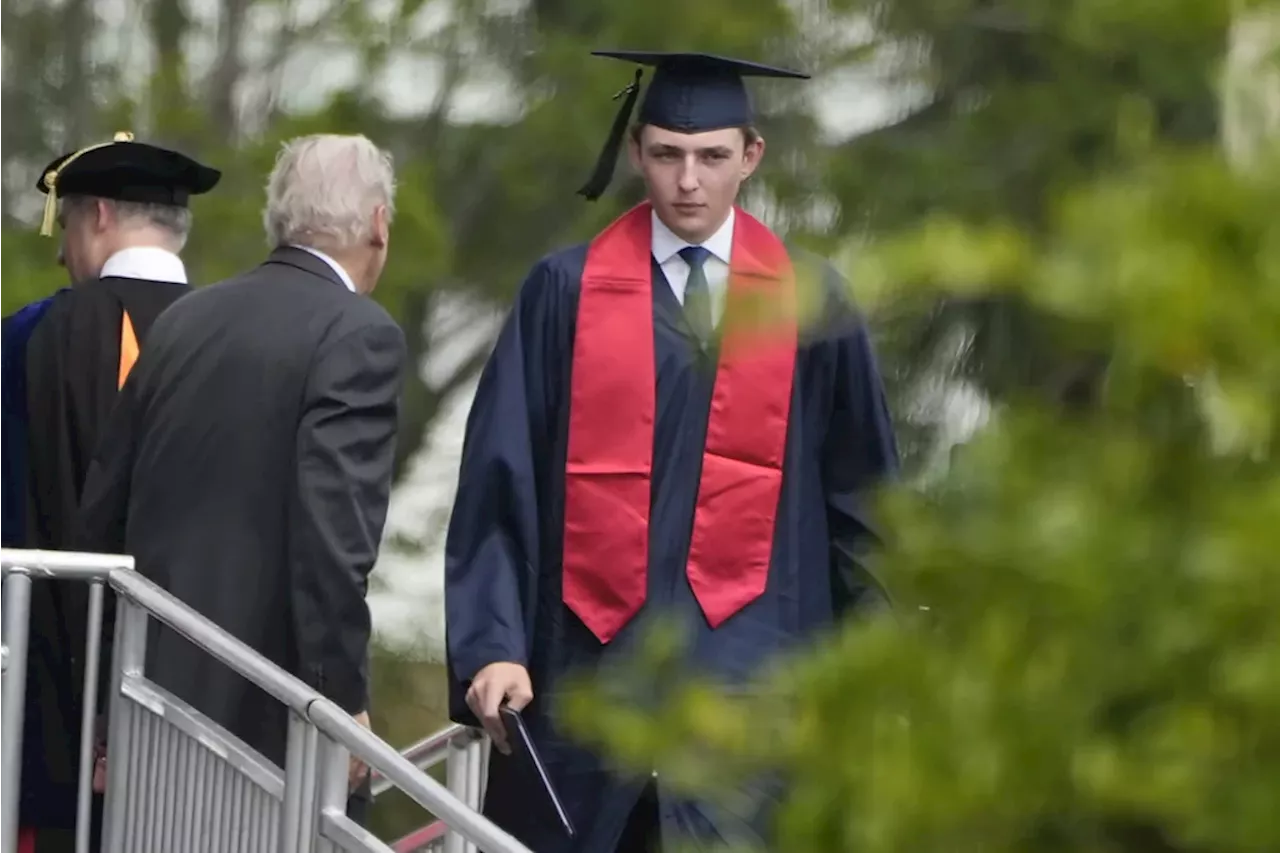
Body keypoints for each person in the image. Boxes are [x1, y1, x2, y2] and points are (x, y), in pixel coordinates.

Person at [444, 50, 900, 853]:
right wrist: (492, 646)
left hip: (760, 696)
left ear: (751, 156)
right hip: (584, 684)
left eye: (712, 157)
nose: (688, 180)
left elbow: (864, 505)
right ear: (637, 153)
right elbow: (498, 479)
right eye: (667, 155)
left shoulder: (813, 303)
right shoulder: (563, 292)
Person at [74, 133, 406, 825]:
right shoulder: (359, 333)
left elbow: (102, 517)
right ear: (379, 224)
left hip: (152, 701)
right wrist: (340, 700)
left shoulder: (186, 318)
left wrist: (105, 703)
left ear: (278, 216)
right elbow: (332, 541)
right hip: (271, 724)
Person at [0, 131, 219, 853]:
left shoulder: (32, 337)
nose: (63, 252)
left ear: (94, 216)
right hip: (206, 723)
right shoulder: (236, 338)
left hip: (50, 725)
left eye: (65, 226)